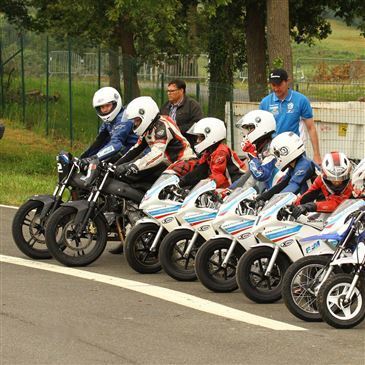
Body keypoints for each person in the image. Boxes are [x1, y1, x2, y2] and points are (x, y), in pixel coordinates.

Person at [114, 96, 195, 184]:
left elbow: (157, 154)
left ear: (147, 115)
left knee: (149, 185)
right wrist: (115, 165)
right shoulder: (149, 128)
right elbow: (136, 149)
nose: (135, 124)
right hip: (167, 163)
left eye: (137, 120)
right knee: (135, 177)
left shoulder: (162, 126)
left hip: (184, 161)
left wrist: (134, 166)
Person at [259, 68, 321, 166]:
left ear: (287, 82)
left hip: (295, 152)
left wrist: (317, 155)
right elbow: (261, 131)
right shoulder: (265, 103)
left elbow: (311, 128)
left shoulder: (301, 100)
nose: (276, 89)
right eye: (273, 85)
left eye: (279, 85)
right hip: (272, 154)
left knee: (297, 180)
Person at [178, 117, 247, 189]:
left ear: (212, 135)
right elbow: (200, 169)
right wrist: (182, 181)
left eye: (201, 137)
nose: (198, 141)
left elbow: (218, 176)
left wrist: (202, 187)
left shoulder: (221, 151)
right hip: (227, 182)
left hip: (236, 182)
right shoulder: (209, 151)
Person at [79, 86, 137, 167]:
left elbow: (116, 145)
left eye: (107, 105)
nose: (105, 109)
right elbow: (99, 142)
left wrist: (94, 158)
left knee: (106, 166)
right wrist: (83, 158)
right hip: (126, 152)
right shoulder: (109, 122)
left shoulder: (124, 118)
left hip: (137, 153)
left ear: (115, 103)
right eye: (102, 107)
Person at [256, 131, 318, 203]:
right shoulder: (294, 165)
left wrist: (274, 202)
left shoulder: (304, 165)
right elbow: (282, 184)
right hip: (311, 204)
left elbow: (293, 186)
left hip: (319, 204)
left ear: (285, 151)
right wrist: (262, 197)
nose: (276, 158)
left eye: (277, 154)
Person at [291, 151, 353, 218]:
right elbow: (308, 195)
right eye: (332, 179)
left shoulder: (353, 183)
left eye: (341, 178)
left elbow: (338, 204)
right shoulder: (320, 179)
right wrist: (293, 206)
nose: (337, 182)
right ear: (325, 175)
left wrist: (310, 206)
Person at [230, 109, 280, 192]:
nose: (246, 134)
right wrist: (230, 190)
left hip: (285, 197)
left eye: (249, 129)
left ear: (260, 127)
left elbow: (261, 174)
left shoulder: (272, 148)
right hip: (273, 195)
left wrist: (251, 155)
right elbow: (249, 176)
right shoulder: (262, 149)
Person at [160, 79, 203, 145]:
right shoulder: (165, 107)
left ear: (181, 91)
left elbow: (197, 124)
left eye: (172, 91)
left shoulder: (192, 105)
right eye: (168, 91)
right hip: (167, 144)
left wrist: (175, 130)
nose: (169, 93)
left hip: (187, 143)